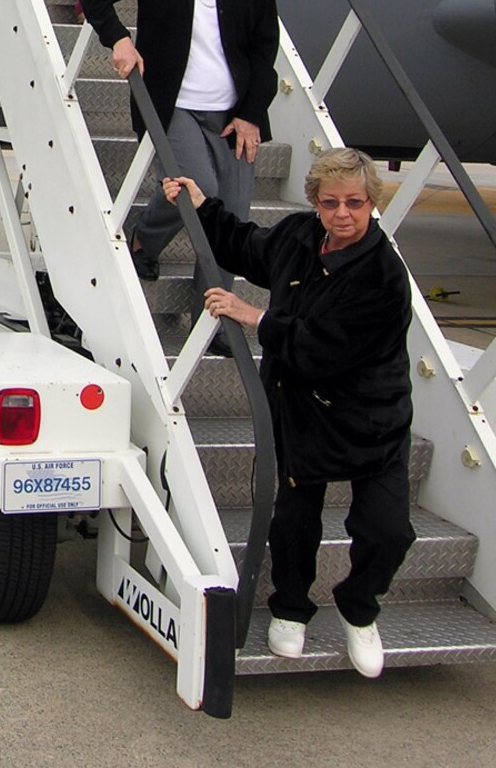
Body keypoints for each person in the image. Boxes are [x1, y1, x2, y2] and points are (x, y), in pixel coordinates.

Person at [161, 148, 415, 679]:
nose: (342, 214)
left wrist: (256, 316)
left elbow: (329, 347)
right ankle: (290, 607)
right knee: (294, 520)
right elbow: (247, 248)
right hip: (300, 410)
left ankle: (359, 607)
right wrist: (203, 205)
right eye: (330, 203)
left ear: (373, 204)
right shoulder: (300, 236)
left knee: (387, 529)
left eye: (354, 202)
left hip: (372, 421)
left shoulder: (386, 278)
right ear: (315, 204)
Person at [79, 0, 277, 266]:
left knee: (232, 221)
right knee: (197, 186)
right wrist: (119, 39)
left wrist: (252, 113)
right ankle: (144, 242)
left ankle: (221, 322)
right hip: (173, 102)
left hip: (233, 109)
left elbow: (264, 45)